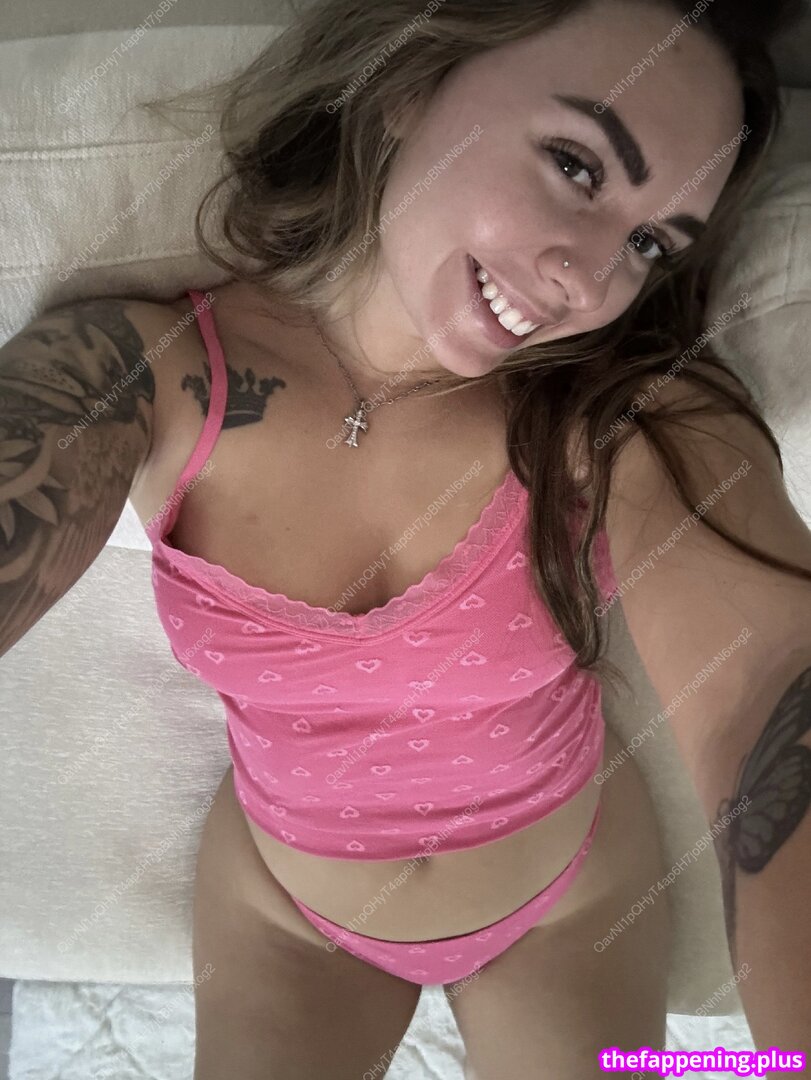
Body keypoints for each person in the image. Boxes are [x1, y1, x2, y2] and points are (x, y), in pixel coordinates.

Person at [1, 0, 810, 1077]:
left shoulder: (627, 414)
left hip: (566, 904)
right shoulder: (153, 370)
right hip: (285, 913)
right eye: (575, 165)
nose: (589, 280)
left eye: (647, 243)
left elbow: (769, 682)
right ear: (409, 85)